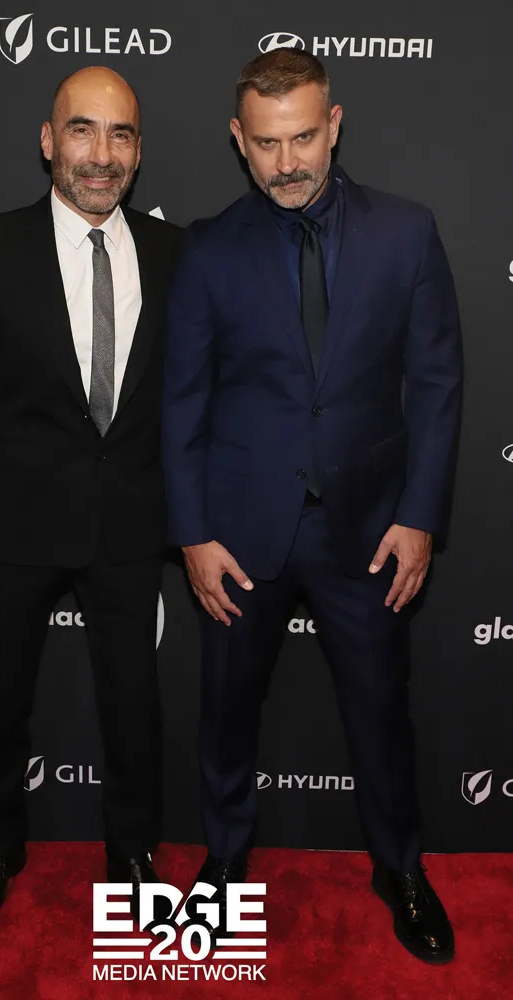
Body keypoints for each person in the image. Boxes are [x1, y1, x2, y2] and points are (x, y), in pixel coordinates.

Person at [162, 48, 462, 963]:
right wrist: (192, 534)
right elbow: (182, 402)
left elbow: (436, 385)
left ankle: (398, 868)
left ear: (333, 125)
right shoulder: (208, 248)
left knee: (380, 712)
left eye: (301, 138)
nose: (286, 162)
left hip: (367, 530)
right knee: (225, 711)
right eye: (265, 144)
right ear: (237, 140)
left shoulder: (406, 233)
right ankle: (224, 860)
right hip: (239, 533)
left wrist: (418, 516)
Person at [0, 67, 183, 927]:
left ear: (138, 152)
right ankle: (0, 843)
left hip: (131, 523)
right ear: (48, 141)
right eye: (82, 130)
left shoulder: (175, 254)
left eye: (120, 135)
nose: (101, 154)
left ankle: (133, 850)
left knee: (133, 705)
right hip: (13, 527)